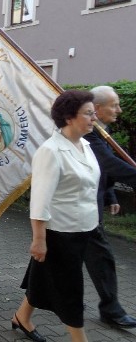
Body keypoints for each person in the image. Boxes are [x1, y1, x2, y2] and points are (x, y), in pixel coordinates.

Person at [13, 90, 101, 342]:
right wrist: (39, 239)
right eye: (88, 113)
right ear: (70, 117)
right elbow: (40, 199)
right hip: (61, 232)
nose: (94, 117)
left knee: (43, 276)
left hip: (84, 227)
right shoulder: (50, 151)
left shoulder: (85, 145)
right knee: (69, 290)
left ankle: (22, 316)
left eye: (93, 112)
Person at [82, 85, 136, 328]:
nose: (119, 110)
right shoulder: (88, 134)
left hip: (89, 206)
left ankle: (46, 296)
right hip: (78, 208)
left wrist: (110, 195)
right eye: (114, 105)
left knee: (55, 256)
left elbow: (101, 169)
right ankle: (110, 310)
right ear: (99, 108)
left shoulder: (102, 132)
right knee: (100, 255)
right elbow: (107, 163)